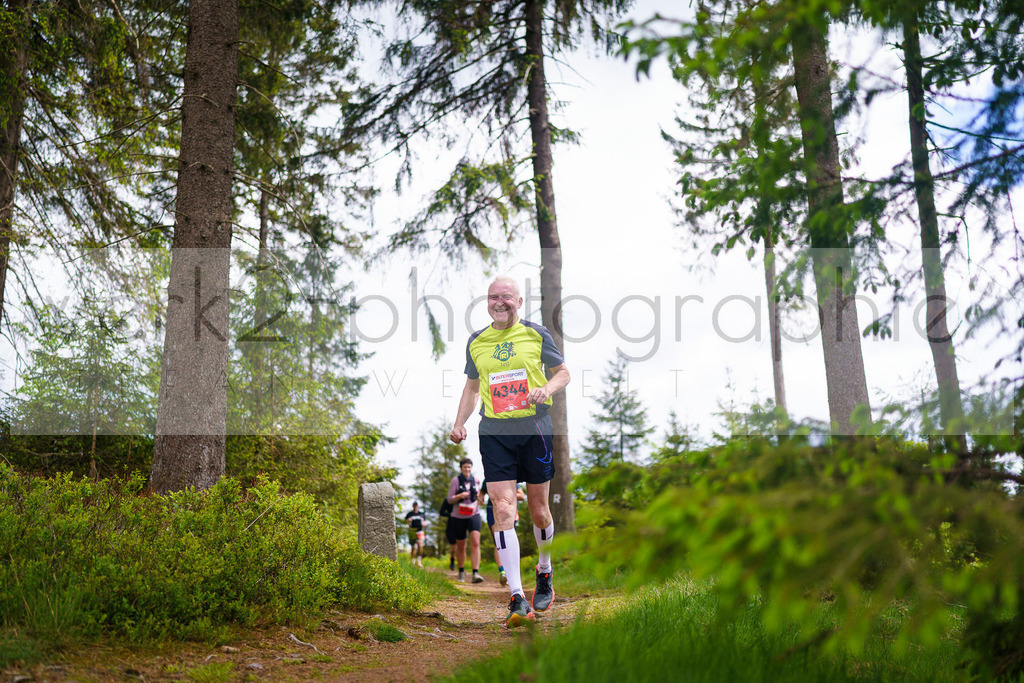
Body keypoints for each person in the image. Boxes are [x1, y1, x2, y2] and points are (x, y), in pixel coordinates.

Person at [450, 276, 570, 627]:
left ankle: (544, 571)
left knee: (539, 511)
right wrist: (459, 422)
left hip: (534, 428)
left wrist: (546, 389)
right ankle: (517, 596)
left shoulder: (536, 334)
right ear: (487, 303)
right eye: (492, 297)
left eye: (505, 297)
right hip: (495, 431)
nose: (498, 302)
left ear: (519, 301)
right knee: (502, 507)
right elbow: (472, 387)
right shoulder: (477, 342)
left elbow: (563, 373)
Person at [478, 480, 526, 586]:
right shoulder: (488, 478)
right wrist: (480, 498)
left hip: (508, 509)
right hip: (492, 510)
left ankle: (512, 572)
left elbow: (521, 496)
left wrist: (504, 497)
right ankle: (502, 572)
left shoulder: (509, 477)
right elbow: (481, 493)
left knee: (509, 541)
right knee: (499, 540)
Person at [446, 457, 484, 583]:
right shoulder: (455, 481)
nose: (467, 469)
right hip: (459, 516)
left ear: (471, 468)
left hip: (474, 514)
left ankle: (475, 573)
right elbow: (449, 499)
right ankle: (461, 571)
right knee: (461, 546)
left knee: (475, 543)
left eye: (469, 467)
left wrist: (480, 499)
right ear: (461, 468)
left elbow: (480, 495)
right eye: (465, 467)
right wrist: (459, 496)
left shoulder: (476, 480)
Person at [404, 502, 425, 567]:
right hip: (412, 531)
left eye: (416, 505)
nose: (415, 507)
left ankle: (419, 561)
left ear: (418, 506)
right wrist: (408, 520)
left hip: (420, 532)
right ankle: (413, 561)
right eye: (414, 505)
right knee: (413, 547)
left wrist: (424, 524)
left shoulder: (421, 514)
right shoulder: (410, 514)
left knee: (420, 545)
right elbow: (405, 521)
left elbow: (425, 522)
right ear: (413, 506)